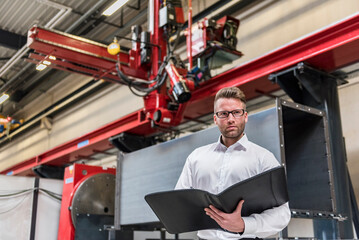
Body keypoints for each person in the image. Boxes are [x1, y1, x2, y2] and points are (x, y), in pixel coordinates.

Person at [175, 87, 290, 240]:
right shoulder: (196, 157)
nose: (230, 119)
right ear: (215, 119)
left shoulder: (263, 158)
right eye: (223, 114)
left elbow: (282, 214)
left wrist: (244, 224)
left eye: (236, 112)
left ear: (245, 116)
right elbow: (179, 201)